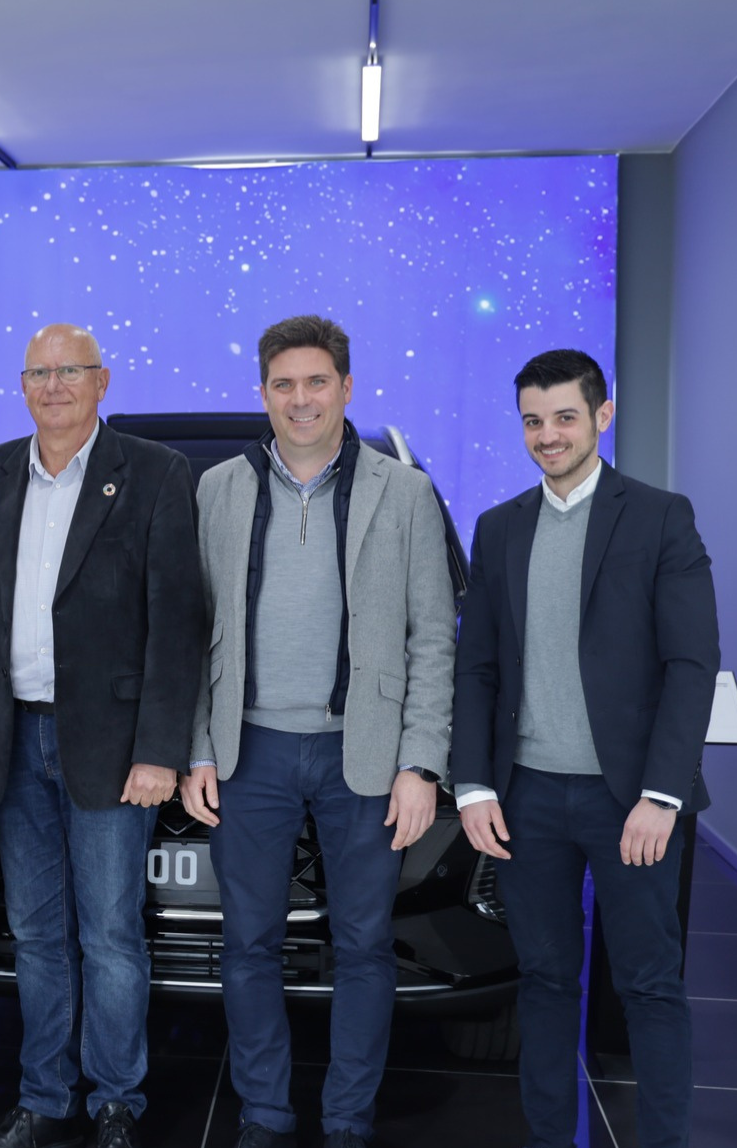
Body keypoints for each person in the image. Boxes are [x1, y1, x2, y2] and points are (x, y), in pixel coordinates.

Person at [182, 316, 456, 1148]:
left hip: (361, 751)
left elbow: (432, 636)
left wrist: (421, 762)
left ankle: (347, 1121)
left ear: (345, 386)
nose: (300, 400)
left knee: (366, 946)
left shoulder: (404, 493)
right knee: (248, 943)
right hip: (248, 749)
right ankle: (265, 1114)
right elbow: (195, 630)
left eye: (316, 382)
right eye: (283, 385)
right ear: (262, 393)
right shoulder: (218, 489)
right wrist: (198, 744)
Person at [449, 349, 720, 1148]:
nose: (547, 435)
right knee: (542, 980)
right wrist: (473, 785)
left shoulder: (661, 516)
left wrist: (662, 795)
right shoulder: (499, 528)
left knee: (649, 986)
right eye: (533, 420)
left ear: (603, 415)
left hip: (629, 800)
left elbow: (691, 662)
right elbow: (478, 667)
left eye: (565, 416)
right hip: (526, 797)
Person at [0, 323, 205, 1148]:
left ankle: (116, 1100)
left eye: (71, 371)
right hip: (11, 738)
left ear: (102, 382)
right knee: (36, 935)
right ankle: (44, 1094)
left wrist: (161, 749)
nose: (54, 385)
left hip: (113, 745)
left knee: (113, 937)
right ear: (23, 385)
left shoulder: (156, 473)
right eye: (39, 372)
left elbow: (177, 624)